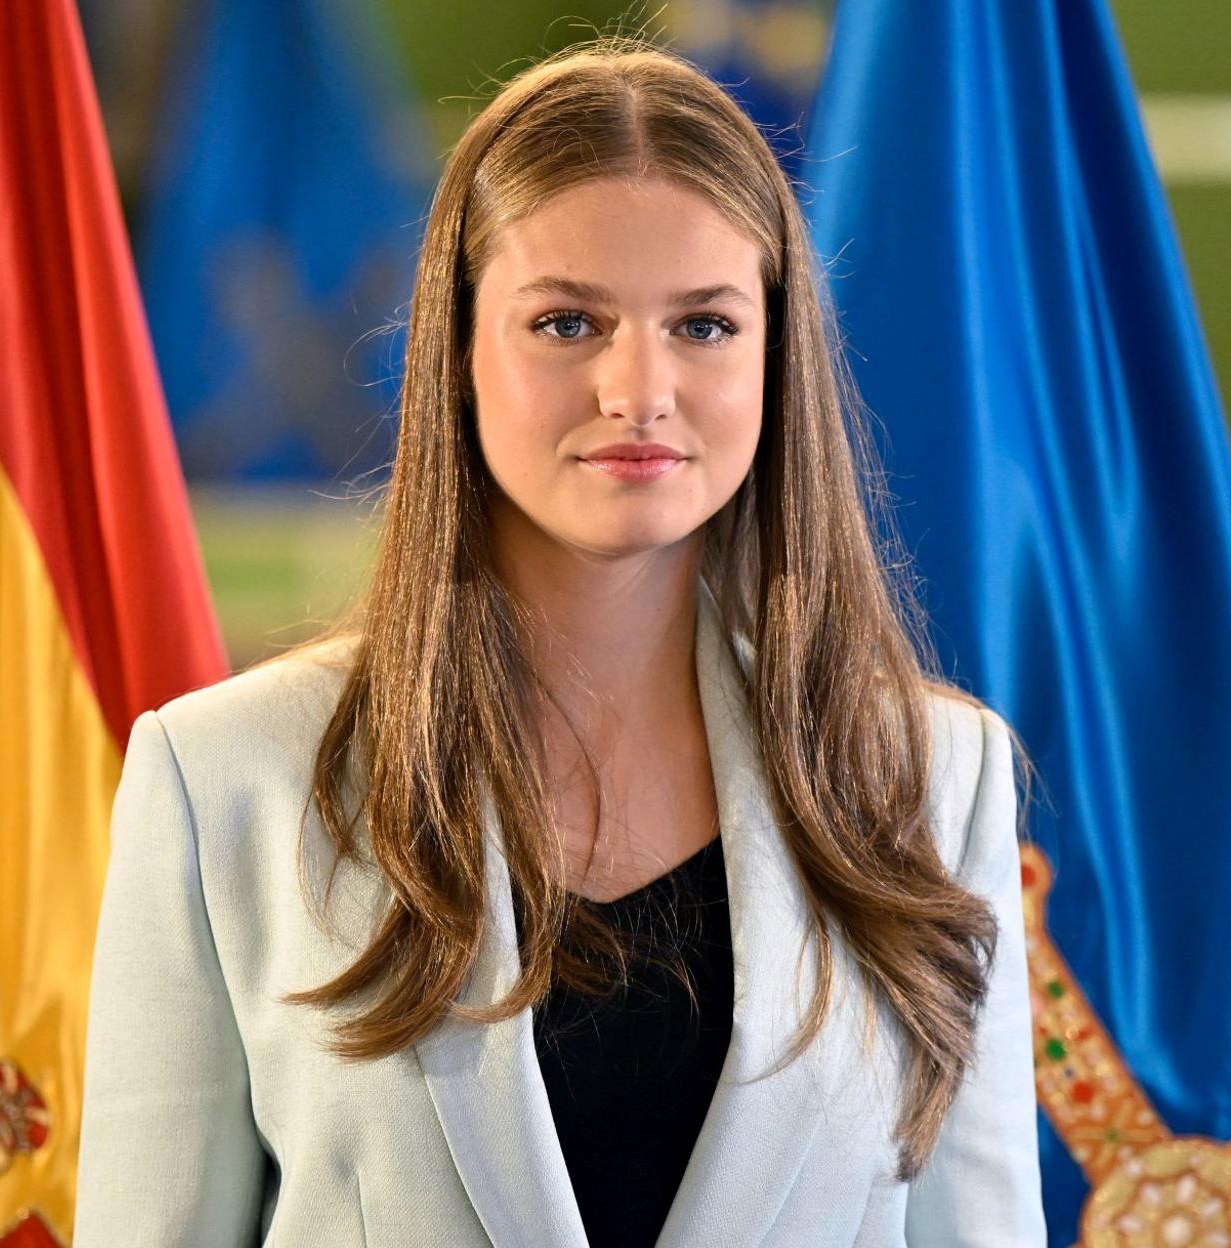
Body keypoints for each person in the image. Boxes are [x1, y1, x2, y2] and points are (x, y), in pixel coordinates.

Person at [74, 34, 1047, 1248]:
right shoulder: (226, 779)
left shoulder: (931, 781)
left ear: (776, 357)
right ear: (460, 350)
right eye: (569, 322)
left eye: (703, 326)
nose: (637, 390)